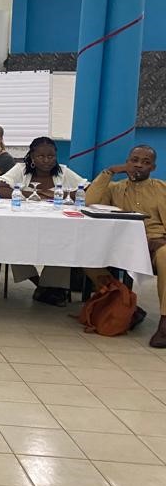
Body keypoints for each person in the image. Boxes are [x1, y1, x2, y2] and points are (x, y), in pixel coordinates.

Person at [84, 145, 166, 346]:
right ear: (127, 162)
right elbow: (90, 201)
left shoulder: (161, 188)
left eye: (145, 162)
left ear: (153, 168)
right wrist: (111, 171)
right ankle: (125, 303)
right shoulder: (115, 188)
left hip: (156, 240)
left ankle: (165, 323)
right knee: (85, 254)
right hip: (123, 241)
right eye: (134, 160)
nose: (138, 165)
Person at [0, 136, 88, 305]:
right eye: (41, 156)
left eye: (51, 156)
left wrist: (60, 195)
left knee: (65, 243)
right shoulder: (21, 169)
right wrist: (35, 194)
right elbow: (1, 189)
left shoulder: (63, 172)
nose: (46, 160)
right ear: (32, 157)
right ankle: (41, 285)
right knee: (10, 243)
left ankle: (51, 287)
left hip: (57, 228)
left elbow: (85, 190)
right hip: (23, 227)